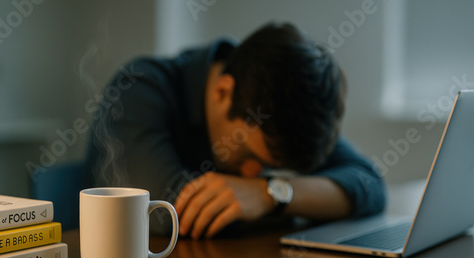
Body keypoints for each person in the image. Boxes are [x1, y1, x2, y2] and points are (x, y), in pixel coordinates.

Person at [86, 22, 386, 239]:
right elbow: (167, 213)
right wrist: (313, 202)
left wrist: (272, 195)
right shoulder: (138, 88)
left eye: (270, 169)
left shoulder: (286, 107)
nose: (252, 174)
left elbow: (369, 184)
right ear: (222, 92)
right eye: (248, 155)